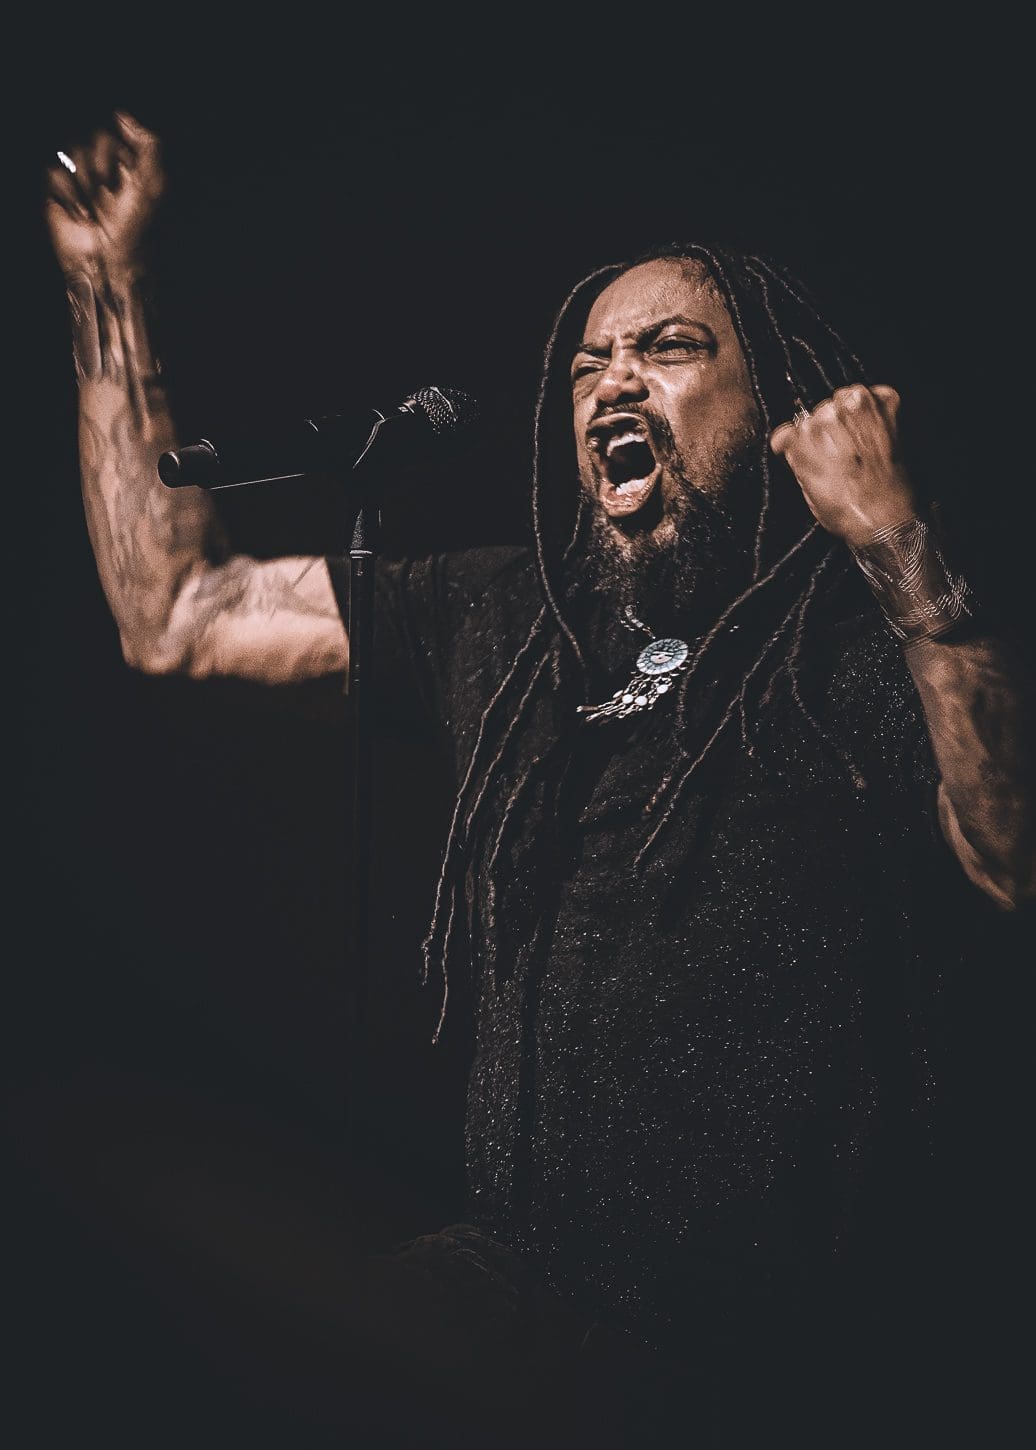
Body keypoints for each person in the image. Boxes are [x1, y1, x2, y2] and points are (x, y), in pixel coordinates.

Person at [45, 113, 1035, 1448]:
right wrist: (105, 283)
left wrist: (903, 547)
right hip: (512, 1290)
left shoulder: (866, 639)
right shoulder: (516, 622)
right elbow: (178, 612)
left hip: (763, 1354)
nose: (613, 381)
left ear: (783, 404)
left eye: (668, 349)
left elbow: (1012, 856)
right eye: (586, 365)